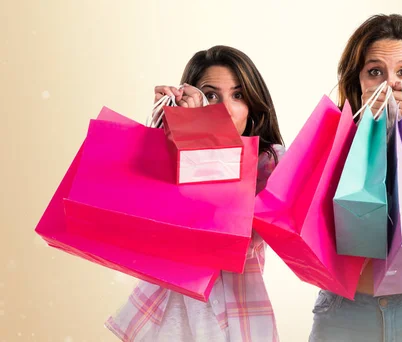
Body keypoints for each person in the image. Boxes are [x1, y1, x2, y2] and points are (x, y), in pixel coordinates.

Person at [105, 45, 285, 342]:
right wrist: (176, 130)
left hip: (235, 315)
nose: (225, 107)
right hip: (168, 312)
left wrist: (205, 139)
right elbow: (148, 226)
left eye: (238, 95)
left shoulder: (270, 162)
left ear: (253, 105)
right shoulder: (169, 152)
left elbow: (231, 227)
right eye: (211, 95)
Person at [309, 14, 402, 342]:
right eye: (375, 72)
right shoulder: (331, 141)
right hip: (344, 313)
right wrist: (373, 135)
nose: (390, 84)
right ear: (356, 81)